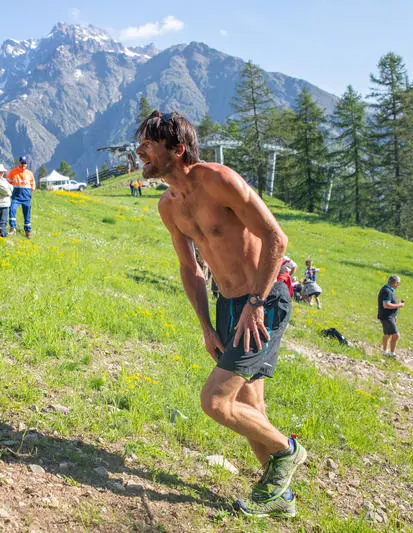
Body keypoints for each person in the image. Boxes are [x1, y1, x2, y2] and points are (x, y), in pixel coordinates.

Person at [136, 110, 304, 518]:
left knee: (215, 401)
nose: (139, 150)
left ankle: (288, 451)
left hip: (263, 298)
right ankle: (278, 497)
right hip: (228, 304)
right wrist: (207, 326)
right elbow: (190, 269)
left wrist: (255, 305)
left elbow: (276, 239)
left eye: (148, 144)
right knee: (250, 405)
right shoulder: (168, 206)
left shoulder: (219, 180)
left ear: (177, 149)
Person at [7, 156, 36, 238]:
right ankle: (12, 228)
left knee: (27, 214)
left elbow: (33, 185)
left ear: (26, 164)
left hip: (26, 198)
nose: (23, 164)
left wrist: (29, 192)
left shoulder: (30, 173)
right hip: (16, 197)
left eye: (25, 163)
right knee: (12, 210)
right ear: (19, 163)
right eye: (22, 162)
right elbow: (8, 184)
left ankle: (28, 231)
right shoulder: (12, 172)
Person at [377, 275, 405, 358]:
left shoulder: (387, 290)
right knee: (396, 335)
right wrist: (399, 305)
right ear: (395, 283)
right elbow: (386, 305)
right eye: (398, 284)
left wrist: (394, 315)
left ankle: (385, 352)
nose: (398, 286)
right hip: (387, 317)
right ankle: (391, 353)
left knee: (388, 334)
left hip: (388, 316)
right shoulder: (387, 291)